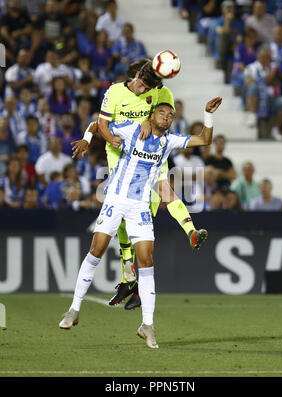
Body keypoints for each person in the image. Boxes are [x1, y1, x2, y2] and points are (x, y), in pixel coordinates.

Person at [59, 98, 222, 349]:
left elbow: (204, 140)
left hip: (140, 206)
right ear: (151, 115)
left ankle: (147, 325)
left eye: (171, 114)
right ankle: (74, 309)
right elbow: (97, 124)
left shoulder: (169, 141)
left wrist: (207, 114)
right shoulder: (131, 128)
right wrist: (87, 140)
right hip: (115, 198)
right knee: (96, 251)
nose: (167, 117)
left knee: (146, 262)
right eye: (162, 112)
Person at [94, 59, 210, 310]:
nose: (146, 90)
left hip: (153, 153)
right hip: (121, 158)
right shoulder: (115, 92)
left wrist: (150, 120)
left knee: (157, 200)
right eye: (145, 85)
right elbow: (101, 124)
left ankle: (190, 232)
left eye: (152, 87)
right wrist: (101, 138)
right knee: (124, 215)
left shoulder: (161, 92)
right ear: (136, 76)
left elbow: (162, 116)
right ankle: (129, 275)